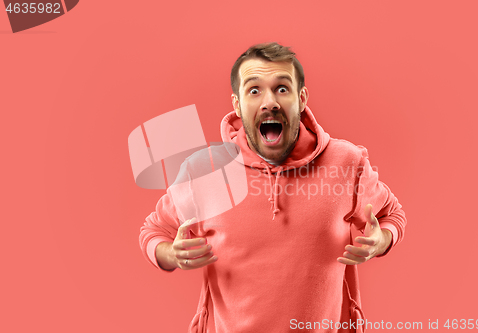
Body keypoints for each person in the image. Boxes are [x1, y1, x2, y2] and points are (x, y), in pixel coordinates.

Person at [139, 42, 407, 333]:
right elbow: (152, 233)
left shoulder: (346, 162)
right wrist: (171, 254)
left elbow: (392, 215)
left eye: (282, 88)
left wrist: (382, 240)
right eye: (254, 90)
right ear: (237, 104)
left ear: (301, 98)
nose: (270, 102)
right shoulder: (204, 170)